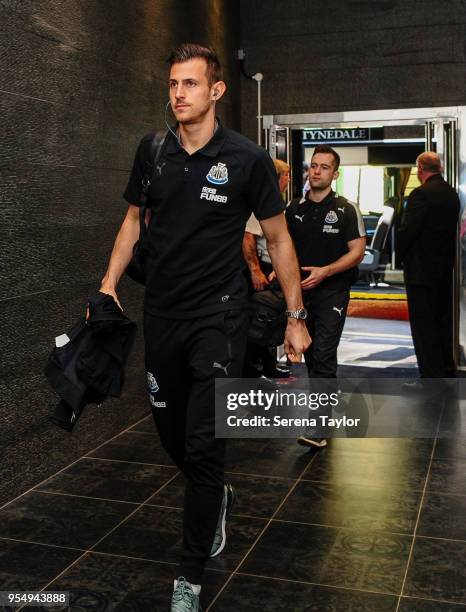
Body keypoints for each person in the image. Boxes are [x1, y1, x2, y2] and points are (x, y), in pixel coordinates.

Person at [98, 43, 310, 612]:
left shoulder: (246, 160)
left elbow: (279, 238)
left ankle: (189, 576)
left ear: (216, 91)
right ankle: (214, 495)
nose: (178, 94)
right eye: (172, 84)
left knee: (204, 442)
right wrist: (107, 285)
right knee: (172, 436)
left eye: (190, 84)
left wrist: (294, 316)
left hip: (220, 318)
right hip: (163, 314)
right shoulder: (153, 151)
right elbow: (132, 222)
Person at [283, 145, 366, 447]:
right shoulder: (293, 209)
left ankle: (318, 425)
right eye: (313, 165)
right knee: (311, 356)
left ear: (335, 174)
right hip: (301, 295)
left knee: (324, 356)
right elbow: (285, 250)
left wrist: (326, 271)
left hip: (333, 291)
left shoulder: (346, 208)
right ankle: (323, 415)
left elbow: (358, 252)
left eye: (324, 167)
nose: (316, 171)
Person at [397, 152, 460, 385]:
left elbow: (408, 231)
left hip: (420, 271)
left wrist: (400, 256)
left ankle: (429, 376)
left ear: (420, 168)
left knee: (424, 327)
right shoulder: (451, 193)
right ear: (440, 168)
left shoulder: (421, 194)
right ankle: (445, 368)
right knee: (442, 321)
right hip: (444, 269)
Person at [242, 159, 291, 378]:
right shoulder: (258, 200)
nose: (289, 180)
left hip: (273, 266)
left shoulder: (275, 200)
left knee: (271, 318)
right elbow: (248, 237)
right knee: (258, 319)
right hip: (260, 266)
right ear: (278, 177)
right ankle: (254, 370)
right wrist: (255, 270)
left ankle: (269, 365)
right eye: (286, 176)